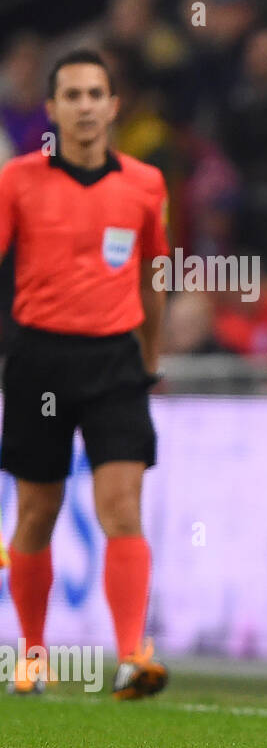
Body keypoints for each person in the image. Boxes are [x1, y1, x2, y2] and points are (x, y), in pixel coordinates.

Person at [0, 49, 170, 698]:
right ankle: (34, 655)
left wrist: (149, 357)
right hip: (39, 360)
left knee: (122, 506)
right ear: (52, 109)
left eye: (96, 92)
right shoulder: (17, 180)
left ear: (113, 104)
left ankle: (133, 656)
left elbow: (154, 274)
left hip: (114, 361)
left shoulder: (145, 184)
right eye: (71, 95)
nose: (85, 105)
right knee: (37, 512)